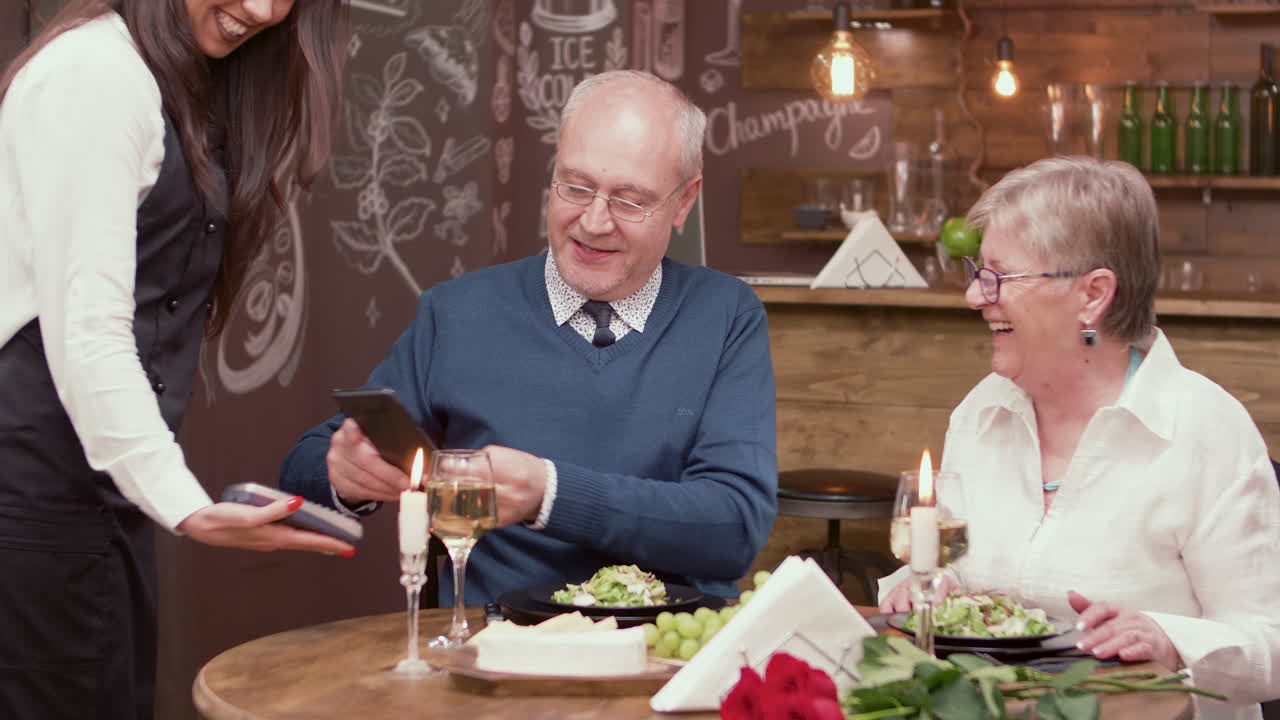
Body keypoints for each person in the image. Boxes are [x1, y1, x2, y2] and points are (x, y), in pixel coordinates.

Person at [281, 69, 778, 606]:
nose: (593, 222)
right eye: (576, 186)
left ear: (684, 202)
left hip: (667, 640)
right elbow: (306, 464)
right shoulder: (457, 313)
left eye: (629, 200)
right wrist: (345, 475)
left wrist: (550, 494)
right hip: (492, 638)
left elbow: (733, 529)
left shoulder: (726, 315)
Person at [0, 1, 354, 717]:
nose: (262, 9)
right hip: (32, 499)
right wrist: (185, 504)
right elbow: (89, 332)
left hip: (96, 500)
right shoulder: (93, 74)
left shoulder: (169, 81)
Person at [878, 156, 1280, 720]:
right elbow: (954, 566)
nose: (974, 295)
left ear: (1093, 294)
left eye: (999, 276)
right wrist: (926, 585)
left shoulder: (1205, 430)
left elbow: (1269, 642)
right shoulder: (982, 412)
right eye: (977, 271)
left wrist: (1170, 641)